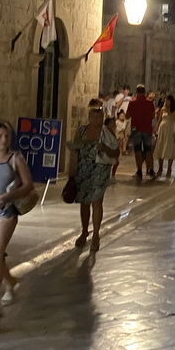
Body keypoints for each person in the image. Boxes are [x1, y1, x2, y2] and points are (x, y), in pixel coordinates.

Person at [0, 121, 33, 309]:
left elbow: (28, 185)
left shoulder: (15, 159)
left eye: (7, 136)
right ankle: (9, 282)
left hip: (6, 210)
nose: (3, 140)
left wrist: (8, 196)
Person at [67, 102, 119, 252]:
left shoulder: (107, 133)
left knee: (96, 201)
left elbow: (116, 153)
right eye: (93, 117)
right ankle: (84, 231)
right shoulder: (82, 131)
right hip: (83, 169)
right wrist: (72, 169)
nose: (96, 120)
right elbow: (75, 151)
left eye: (99, 117)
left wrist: (106, 148)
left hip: (100, 169)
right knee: (84, 202)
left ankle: (96, 235)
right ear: (89, 118)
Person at [126, 85, 156, 180]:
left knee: (137, 150)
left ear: (137, 92)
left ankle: (139, 171)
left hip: (136, 128)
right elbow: (152, 115)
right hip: (147, 128)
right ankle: (151, 170)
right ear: (144, 92)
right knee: (148, 150)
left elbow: (127, 116)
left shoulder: (132, 103)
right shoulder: (150, 103)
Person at [153, 95, 175, 179]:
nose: (166, 103)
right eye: (165, 101)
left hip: (171, 129)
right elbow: (160, 119)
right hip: (162, 129)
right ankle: (160, 168)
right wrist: (156, 128)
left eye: (168, 101)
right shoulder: (162, 109)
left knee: (169, 147)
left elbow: (174, 118)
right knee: (161, 147)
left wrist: (167, 109)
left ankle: (169, 168)